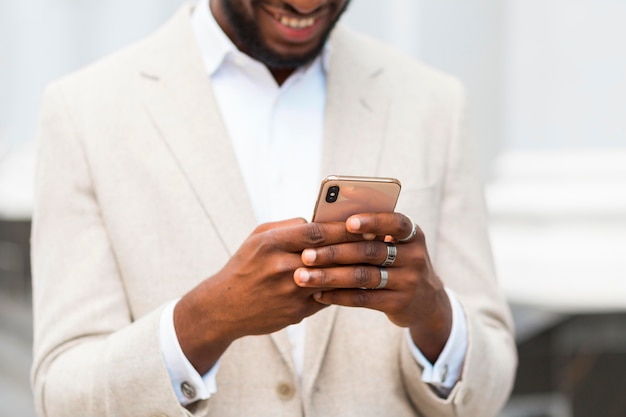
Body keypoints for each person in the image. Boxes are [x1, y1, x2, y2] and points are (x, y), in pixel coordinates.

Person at [30, 0, 517, 416]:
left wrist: (433, 314)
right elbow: (63, 392)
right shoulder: (84, 111)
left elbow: (492, 383)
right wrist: (205, 321)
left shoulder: (434, 103)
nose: (305, 5)